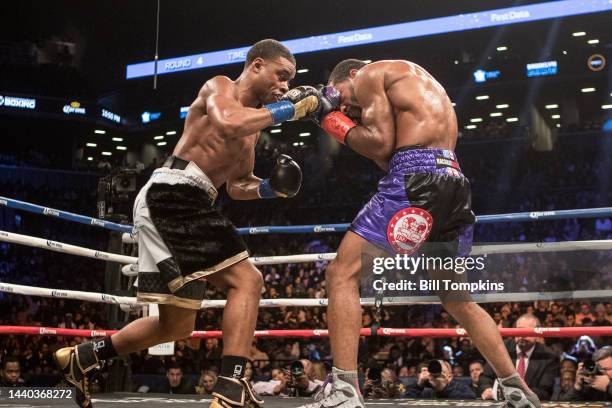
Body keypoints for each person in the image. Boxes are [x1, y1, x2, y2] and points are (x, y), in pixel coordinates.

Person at [54, 38, 329, 408]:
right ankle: (231, 388)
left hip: (187, 201)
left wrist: (270, 189)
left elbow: (237, 185)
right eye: (281, 77)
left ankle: (84, 357)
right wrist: (288, 110)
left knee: (177, 325)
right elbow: (228, 122)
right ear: (257, 65)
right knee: (248, 280)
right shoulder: (221, 87)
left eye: (289, 82)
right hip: (174, 192)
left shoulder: (252, 129)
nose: (284, 87)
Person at [298, 59, 540, 408]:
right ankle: (517, 390)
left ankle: (345, 391)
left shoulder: (368, 74)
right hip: (453, 182)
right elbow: (385, 155)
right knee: (457, 297)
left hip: (416, 181)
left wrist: (327, 118)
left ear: (352, 75)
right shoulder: (413, 80)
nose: (348, 107)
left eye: (346, 99)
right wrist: (346, 121)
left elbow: (379, 146)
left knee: (341, 273)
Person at [478, 315, 558, 401]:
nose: (522, 335)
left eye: (527, 331)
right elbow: (484, 378)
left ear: (537, 334)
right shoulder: (501, 348)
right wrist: (487, 389)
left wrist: (512, 395)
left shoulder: (548, 355)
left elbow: (545, 391)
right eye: (519, 330)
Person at [405, 360, 475, 399]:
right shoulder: (426, 388)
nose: (436, 375)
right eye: (434, 372)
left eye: (442, 372)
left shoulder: (458, 386)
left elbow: (471, 398)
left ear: (449, 376)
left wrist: (443, 388)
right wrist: (419, 384)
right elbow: (405, 401)